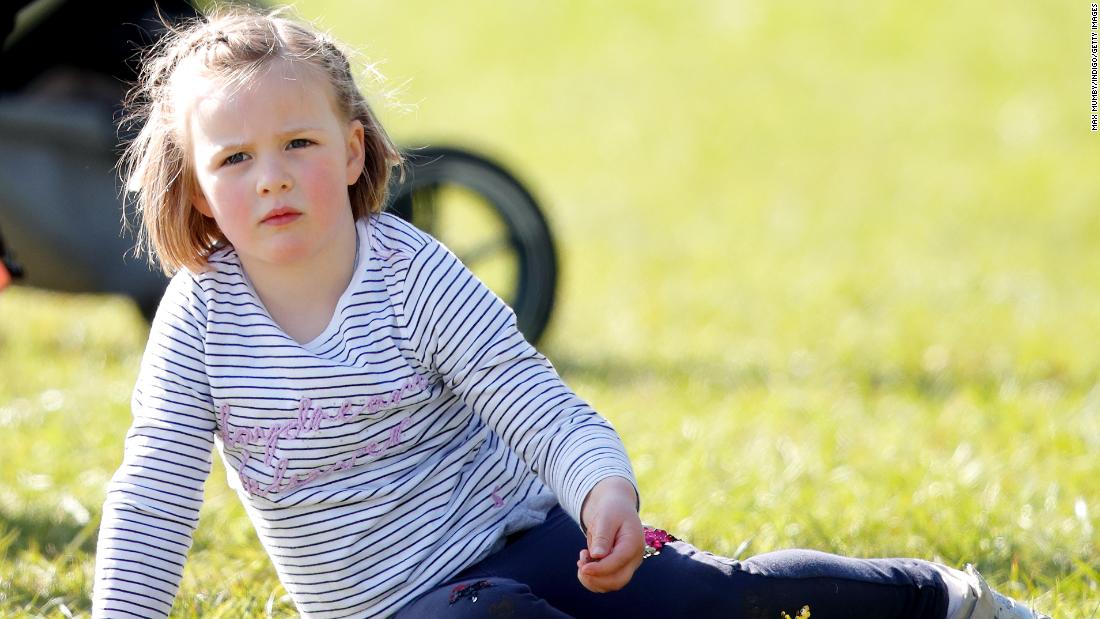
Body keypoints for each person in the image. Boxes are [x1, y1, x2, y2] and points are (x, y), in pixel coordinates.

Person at [92, 6, 1051, 619]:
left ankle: (946, 600)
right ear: (198, 190)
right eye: (234, 159)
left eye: (297, 142)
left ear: (351, 152)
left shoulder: (411, 274)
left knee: (716, 603)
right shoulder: (200, 320)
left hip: (531, 530)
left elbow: (533, 400)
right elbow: (154, 492)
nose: (272, 178)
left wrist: (603, 493)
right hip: (399, 606)